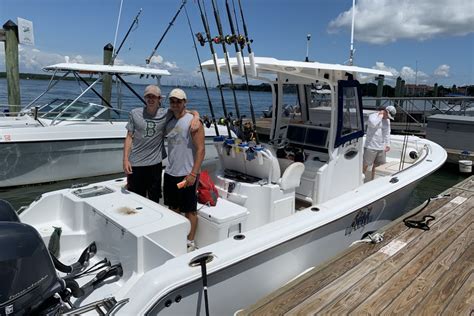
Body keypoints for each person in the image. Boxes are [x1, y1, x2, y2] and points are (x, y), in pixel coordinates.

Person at [123, 85, 200, 203]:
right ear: (145, 98)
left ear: (160, 99)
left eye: (154, 97)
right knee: (136, 199)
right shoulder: (134, 113)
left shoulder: (167, 113)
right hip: (136, 164)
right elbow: (129, 137)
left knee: (154, 199)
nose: (151, 99)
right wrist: (125, 160)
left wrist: (196, 116)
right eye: (148, 96)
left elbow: (185, 110)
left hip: (155, 165)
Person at [163, 88, 205, 251]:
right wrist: (196, 113)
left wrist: (193, 173)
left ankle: (190, 241)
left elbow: (201, 150)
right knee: (173, 208)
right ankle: (176, 236)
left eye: (178, 101)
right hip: (170, 172)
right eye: (172, 101)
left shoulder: (193, 122)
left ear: (184, 103)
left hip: (187, 174)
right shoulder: (169, 120)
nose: (175, 104)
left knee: (190, 210)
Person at [363, 105, 396, 181]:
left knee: (378, 166)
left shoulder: (387, 120)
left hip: (381, 147)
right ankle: (360, 180)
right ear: (385, 112)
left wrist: (388, 144)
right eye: (388, 116)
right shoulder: (372, 116)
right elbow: (373, 124)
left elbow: (387, 133)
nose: (388, 118)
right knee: (365, 165)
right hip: (370, 146)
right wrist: (381, 115)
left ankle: (373, 180)